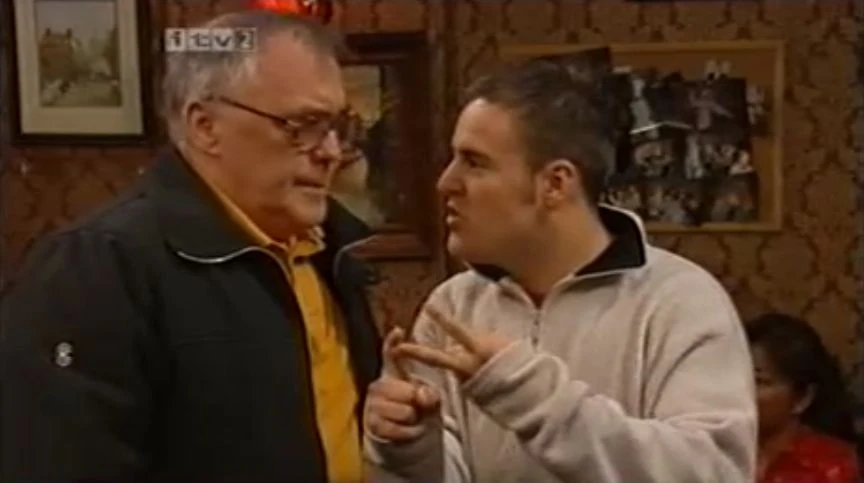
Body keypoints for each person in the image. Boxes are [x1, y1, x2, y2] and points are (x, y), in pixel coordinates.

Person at [0, 11, 381, 482]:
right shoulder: (99, 266)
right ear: (205, 126)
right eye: (302, 125)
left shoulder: (335, 254)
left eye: (338, 127)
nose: (331, 152)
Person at [362, 54, 757, 482]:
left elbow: (713, 474)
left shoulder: (680, 302)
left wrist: (537, 399)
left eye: (474, 162)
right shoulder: (454, 305)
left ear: (555, 184)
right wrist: (413, 449)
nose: (445, 183)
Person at [746, 313, 861, 483]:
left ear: (802, 398)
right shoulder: (714, 448)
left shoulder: (833, 467)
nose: (742, 389)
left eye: (759, 381)